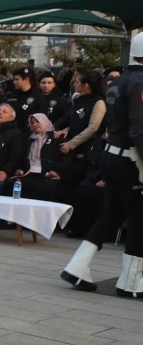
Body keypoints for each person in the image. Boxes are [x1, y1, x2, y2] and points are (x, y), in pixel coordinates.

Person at [61, 32, 143, 297]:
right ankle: (131, 283)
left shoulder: (119, 82)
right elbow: (140, 129)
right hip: (131, 158)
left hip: (112, 154)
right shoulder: (140, 82)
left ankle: (77, 266)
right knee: (140, 217)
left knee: (113, 214)